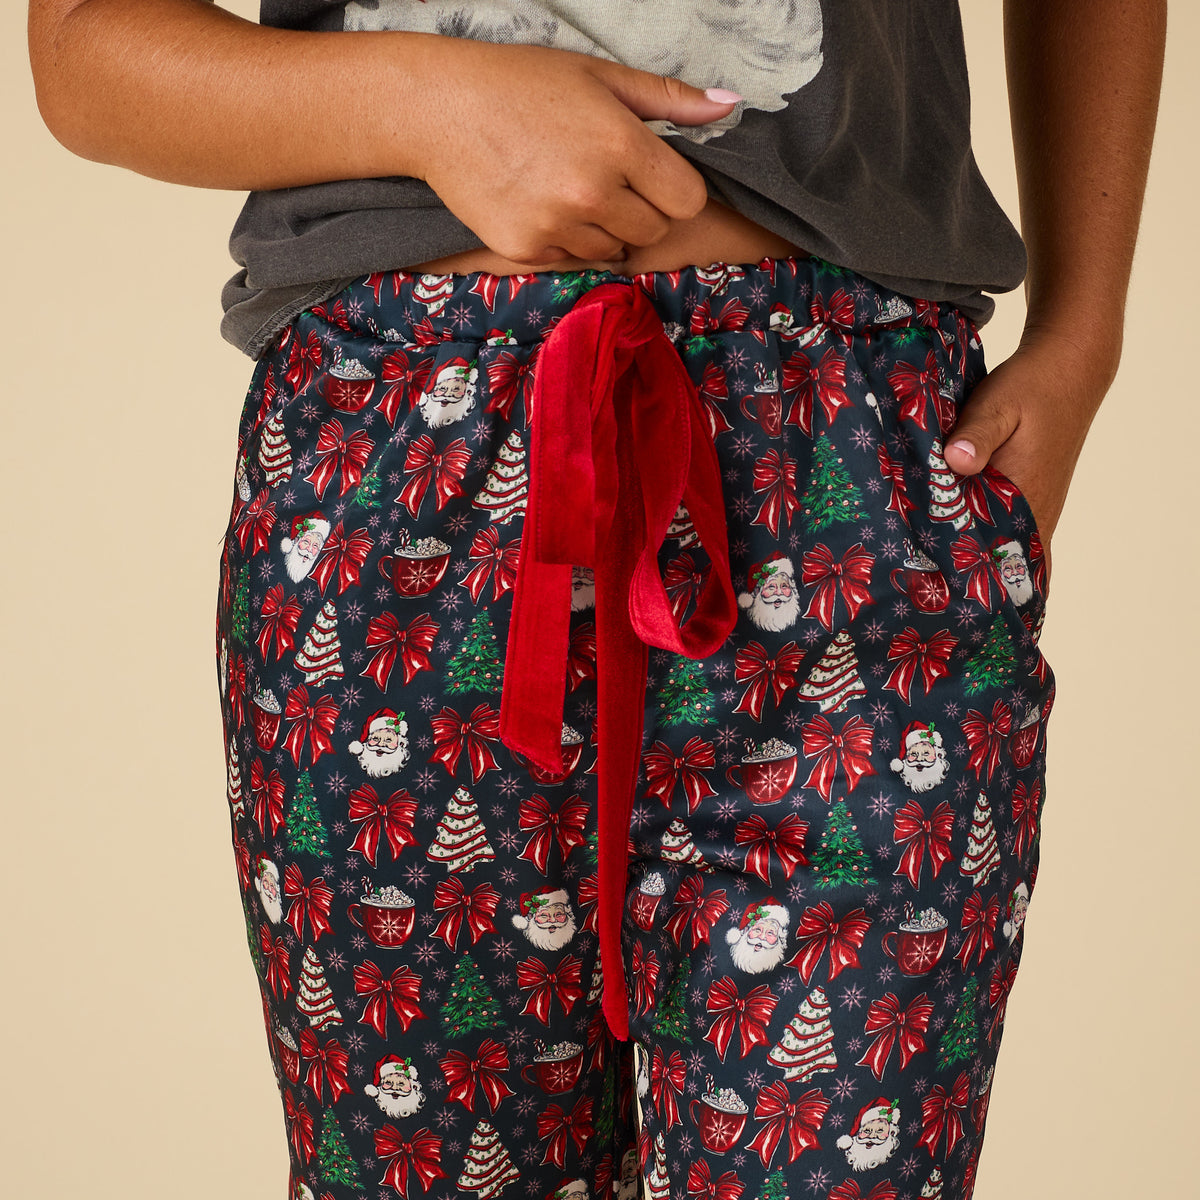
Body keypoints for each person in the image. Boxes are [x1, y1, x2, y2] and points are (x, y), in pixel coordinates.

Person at [28, 3, 1165, 1199]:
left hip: (850, 460)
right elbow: (85, 52)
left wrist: (1084, 335)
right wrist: (424, 103)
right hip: (404, 477)